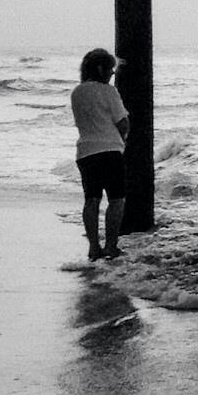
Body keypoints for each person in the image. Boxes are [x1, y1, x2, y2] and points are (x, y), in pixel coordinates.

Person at [71, 47, 131, 261]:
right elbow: (122, 122)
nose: (112, 74)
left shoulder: (77, 92)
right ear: (100, 68)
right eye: (110, 69)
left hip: (85, 152)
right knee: (116, 200)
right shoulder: (108, 92)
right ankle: (111, 246)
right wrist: (123, 140)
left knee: (91, 200)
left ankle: (94, 247)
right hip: (109, 150)